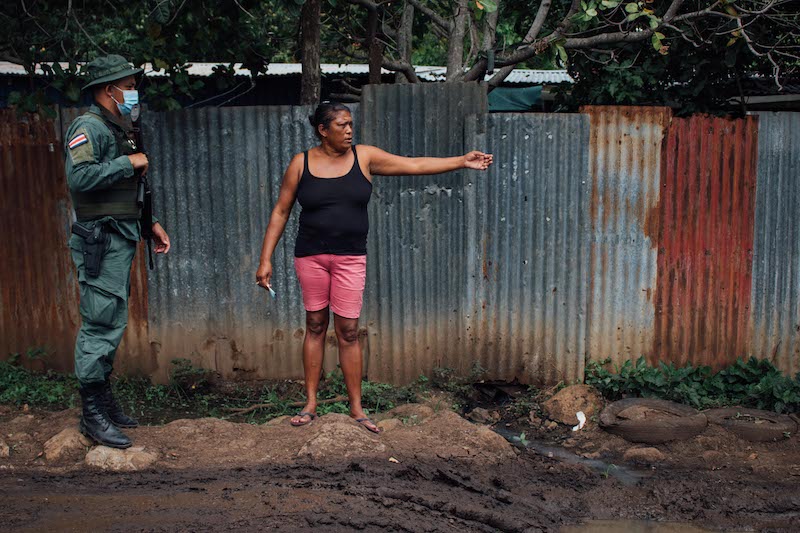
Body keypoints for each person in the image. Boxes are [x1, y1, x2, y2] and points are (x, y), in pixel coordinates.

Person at [256, 102, 492, 433]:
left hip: (350, 257)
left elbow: (415, 165)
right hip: (310, 256)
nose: (350, 130)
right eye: (342, 125)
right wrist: (265, 259)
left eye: (351, 124)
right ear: (323, 130)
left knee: (349, 330)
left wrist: (461, 161)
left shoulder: (363, 157)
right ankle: (310, 404)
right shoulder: (301, 163)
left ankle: (356, 409)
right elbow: (281, 211)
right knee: (315, 323)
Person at [65, 55, 171, 448]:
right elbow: (79, 177)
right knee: (100, 322)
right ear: (108, 89)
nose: (132, 92)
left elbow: (127, 192)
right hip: (101, 239)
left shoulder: (117, 127)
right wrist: (128, 162)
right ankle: (92, 413)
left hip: (119, 235)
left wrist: (150, 224)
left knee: (111, 320)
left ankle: (103, 403)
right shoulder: (88, 127)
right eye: (128, 84)